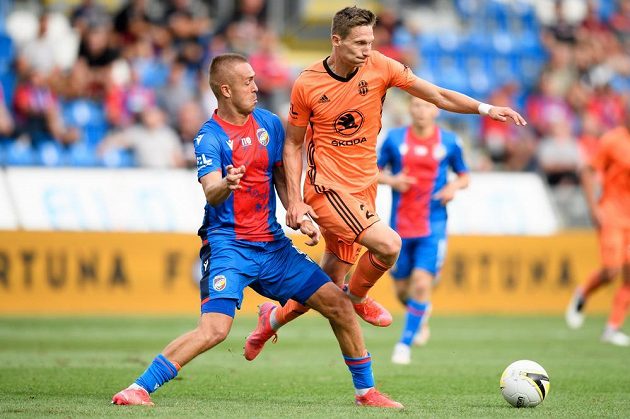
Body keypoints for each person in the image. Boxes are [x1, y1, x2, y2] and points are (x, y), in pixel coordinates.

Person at [111, 53, 403, 408]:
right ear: (225, 90)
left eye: (254, 79)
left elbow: (281, 172)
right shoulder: (210, 137)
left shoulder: (269, 124)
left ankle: (366, 393)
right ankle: (138, 388)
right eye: (247, 81)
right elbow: (211, 189)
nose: (255, 86)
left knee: (340, 306)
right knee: (216, 330)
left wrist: (297, 210)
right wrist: (227, 184)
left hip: (272, 246)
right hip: (229, 247)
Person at [244, 6, 525, 360]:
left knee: (326, 288)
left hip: (364, 189)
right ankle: (359, 298)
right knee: (389, 245)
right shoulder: (308, 82)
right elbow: (293, 143)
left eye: (371, 41)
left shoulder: (382, 66)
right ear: (336, 40)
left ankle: (272, 319)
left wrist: (486, 109)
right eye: (360, 42)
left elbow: (436, 94)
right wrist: (296, 201)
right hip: (327, 188)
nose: (367, 49)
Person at [377, 97, 469, 364]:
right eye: (416, 105)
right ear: (409, 109)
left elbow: (464, 175)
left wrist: (453, 187)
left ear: (436, 110)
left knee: (420, 283)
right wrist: (393, 180)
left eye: (427, 106)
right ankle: (420, 313)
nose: (421, 111)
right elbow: (372, 172)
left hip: (433, 225)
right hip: (400, 227)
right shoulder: (394, 139)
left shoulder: (449, 142)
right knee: (403, 290)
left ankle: (403, 345)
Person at [565, 101, 630, 347]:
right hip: (612, 213)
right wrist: (594, 208)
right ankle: (584, 291)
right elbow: (587, 170)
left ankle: (612, 328)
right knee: (611, 270)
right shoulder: (613, 140)